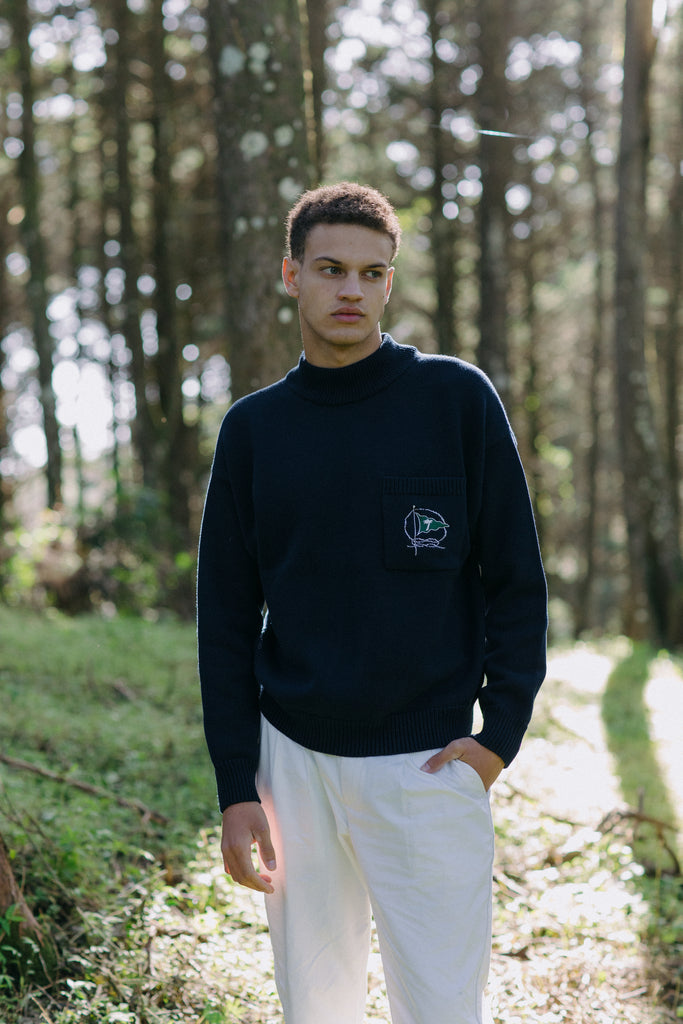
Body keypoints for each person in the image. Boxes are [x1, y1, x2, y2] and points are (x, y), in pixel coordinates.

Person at [197, 182, 547, 1024]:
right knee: (313, 1007)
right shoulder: (254, 430)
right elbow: (225, 618)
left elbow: (516, 581)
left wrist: (497, 735)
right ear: (292, 275)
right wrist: (235, 785)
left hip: (427, 768)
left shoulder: (454, 400)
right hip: (294, 764)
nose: (349, 289)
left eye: (369, 272)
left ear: (389, 283)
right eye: (329, 269)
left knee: (439, 1008)